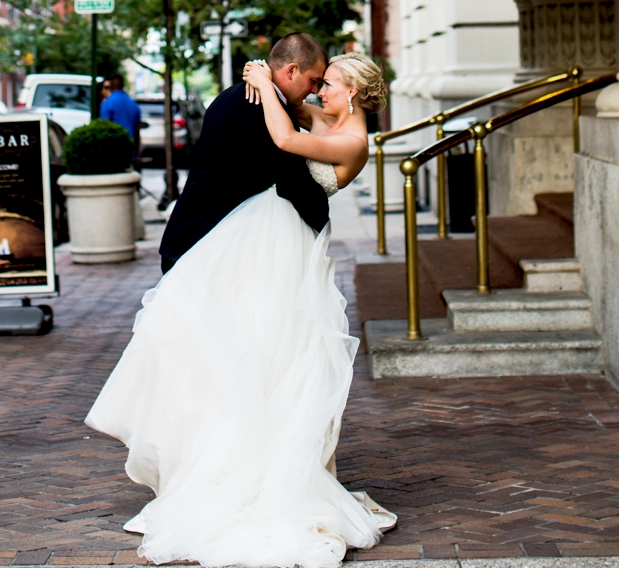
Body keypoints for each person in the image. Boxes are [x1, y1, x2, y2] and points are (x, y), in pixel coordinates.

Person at [85, 38, 396, 568]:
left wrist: (261, 81)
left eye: (330, 84)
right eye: (319, 81)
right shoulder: (321, 114)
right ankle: (241, 458)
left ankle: (270, 471)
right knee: (258, 350)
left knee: (286, 355)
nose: (320, 91)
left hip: (290, 245)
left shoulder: (353, 141)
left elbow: (282, 135)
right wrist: (262, 74)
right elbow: (291, 102)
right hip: (267, 238)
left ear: (354, 95)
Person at [99, 71, 142, 162]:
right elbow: (137, 130)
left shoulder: (107, 103)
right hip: (130, 149)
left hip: (113, 150)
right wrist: (137, 154)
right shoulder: (133, 104)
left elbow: (104, 127)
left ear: (111, 86)